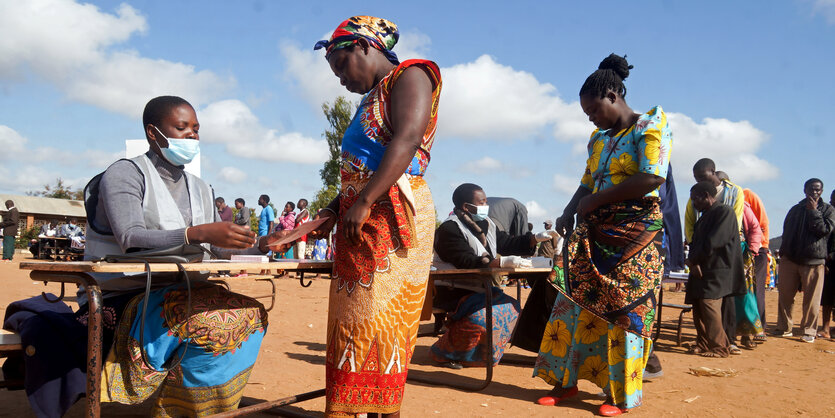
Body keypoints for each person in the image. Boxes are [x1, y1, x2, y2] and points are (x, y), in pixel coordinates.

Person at [77, 96, 288, 415]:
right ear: (153, 132)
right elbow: (130, 237)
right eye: (181, 127)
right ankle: (183, 409)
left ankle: (205, 408)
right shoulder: (125, 174)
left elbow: (218, 248)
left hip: (183, 290)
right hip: (125, 294)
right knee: (207, 322)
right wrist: (196, 232)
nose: (192, 135)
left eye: (196, 129)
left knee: (251, 315)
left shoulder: (201, 187)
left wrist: (261, 245)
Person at [309, 16, 442, 418]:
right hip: (363, 220)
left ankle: (384, 411)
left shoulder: (411, 75)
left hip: (393, 220)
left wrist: (365, 201)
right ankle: (350, 409)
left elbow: (406, 139)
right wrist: (331, 212)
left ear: (365, 47)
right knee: (353, 322)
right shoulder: (372, 97)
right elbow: (361, 165)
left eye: (341, 66)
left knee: (380, 324)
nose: (341, 80)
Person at [533, 54, 671, 416]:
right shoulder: (597, 139)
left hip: (635, 234)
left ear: (613, 95)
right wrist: (569, 210)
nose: (591, 118)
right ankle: (566, 382)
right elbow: (586, 183)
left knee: (625, 311)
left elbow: (652, 177)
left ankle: (621, 396)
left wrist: (595, 200)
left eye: (594, 110)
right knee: (572, 302)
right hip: (593, 231)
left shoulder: (649, 126)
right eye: (587, 114)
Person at [432, 183, 547, 368]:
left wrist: (535, 238)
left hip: (479, 288)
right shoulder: (450, 229)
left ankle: (479, 352)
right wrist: (500, 263)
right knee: (487, 314)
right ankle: (446, 352)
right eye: (482, 202)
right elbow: (465, 260)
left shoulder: (487, 224)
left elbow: (507, 242)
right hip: (452, 289)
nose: (486, 205)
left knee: (512, 307)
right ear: (466, 207)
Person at [684, 160, 745, 354]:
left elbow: (713, 242)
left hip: (718, 269)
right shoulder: (705, 215)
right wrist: (691, 261)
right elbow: (695, 241)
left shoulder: (724, 212)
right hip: (702, 268)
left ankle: (720, 347)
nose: (694, 203)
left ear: (707, 196)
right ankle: (702, 343)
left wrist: (694, 260)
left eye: (696, 199)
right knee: (698, 305)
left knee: (709, 305)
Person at [774, 178, 835, 343]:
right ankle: (784, 327)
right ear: (805, 190)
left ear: (822, 191)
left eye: (818, 190)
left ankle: (809, 330)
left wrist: (813, 211)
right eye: (811, 189)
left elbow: (824, 230)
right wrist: (784, 252)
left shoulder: (828, 210)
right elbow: (786, 231)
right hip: (790, 259)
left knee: (812, 299)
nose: (814, 192)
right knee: (785, 296)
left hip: (814, 261)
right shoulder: (795, 209)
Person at [735, 201, 765, 348]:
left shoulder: (741, 205)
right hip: (720, 254)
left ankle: (747, 334)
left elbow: (755, 228)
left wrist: (752, 250)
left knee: (746, 294)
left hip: (742, 254)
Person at [743, 187, 770, 342]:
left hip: (757, 249)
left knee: (756, 289)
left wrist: (758, 247)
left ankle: (759, 328)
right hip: (740, 250)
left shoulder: (748, 196)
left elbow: (761, 225)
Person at [819, 189, 835, 340]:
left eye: (834, 199)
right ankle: (825, 329)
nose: (831, 202)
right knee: (828, 297)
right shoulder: (830, 218)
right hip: (830, 263)